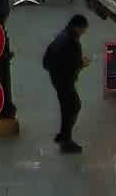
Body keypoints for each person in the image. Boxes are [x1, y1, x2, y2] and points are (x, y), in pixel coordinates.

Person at [41, 12, 90, 152]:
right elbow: (69, 63)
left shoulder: (63, 36)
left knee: (67, 107)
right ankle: (66, 142)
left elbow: (48, 59)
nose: (84, 32)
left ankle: (63, 135)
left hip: (58, 78)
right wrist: (82, 63)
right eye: (83, 29)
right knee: (73, 106)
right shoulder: (70, 41)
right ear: (77, 27)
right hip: (64, 80)